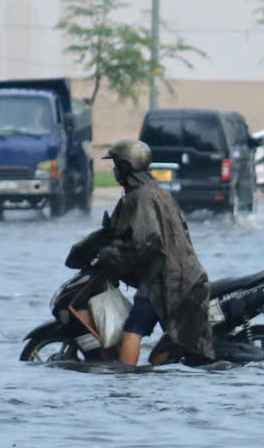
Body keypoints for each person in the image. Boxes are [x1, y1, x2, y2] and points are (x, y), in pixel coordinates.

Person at [89, 139, 214, 367]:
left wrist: (115, 256)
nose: (115, 170)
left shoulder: (140, 198)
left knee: (132, 331)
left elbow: (149, 242)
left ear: (126, 167)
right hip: (187, 276)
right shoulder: (158, 192)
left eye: (117, 165)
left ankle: (126, 379)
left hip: (163, 281)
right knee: (159, 354)